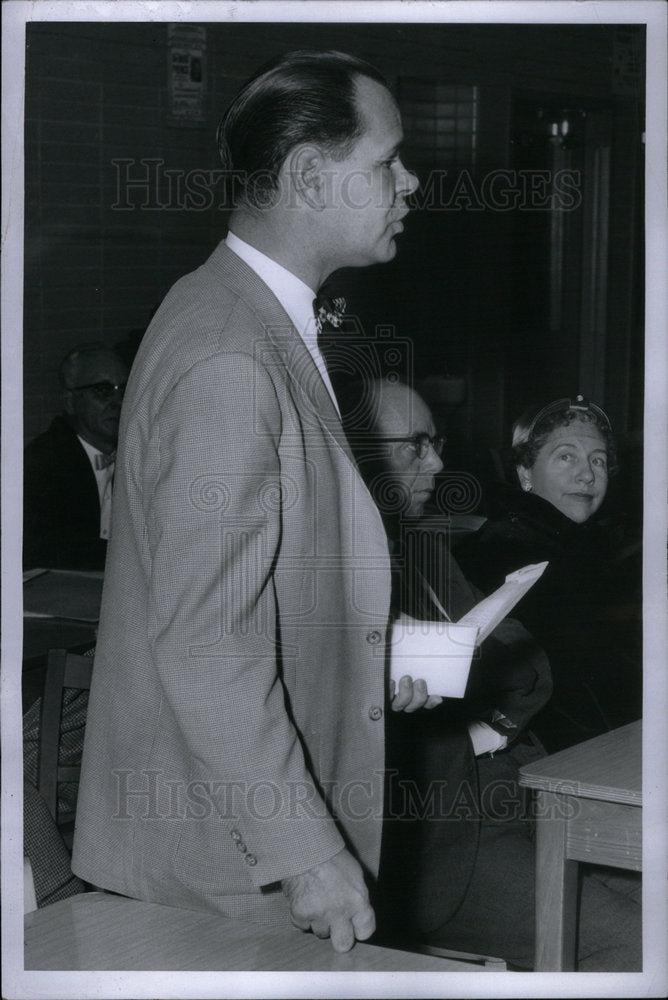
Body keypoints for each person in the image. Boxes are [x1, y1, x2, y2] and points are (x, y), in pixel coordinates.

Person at [72, 50, 424, 954]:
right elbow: (205, 637)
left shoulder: (242, 316)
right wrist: (306, 853)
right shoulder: (232, 350)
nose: (410, 182)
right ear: (310, 174)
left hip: (227, 846)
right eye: (387, 162)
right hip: (222, 869)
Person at [341, 377, 641, 970]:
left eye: (437, 441)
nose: (439, 460)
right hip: (437, 841)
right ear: (357, 453)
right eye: (417, 444)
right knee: (638, 942)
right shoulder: (324, 565)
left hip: (518, 787)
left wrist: (487, 722)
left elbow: (528, 668)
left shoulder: (422, 550)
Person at [457, 394, 642, 753]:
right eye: (566, 456)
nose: (587, 474)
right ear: (525, 472)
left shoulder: (574, 546)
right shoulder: (507, 550)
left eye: (598, 460)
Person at [23, 343, 128, 571]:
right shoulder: (43, 462)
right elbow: (51, 553)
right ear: (70, 401)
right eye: (103, 390)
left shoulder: (141, 456)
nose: (118, 402)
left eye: (125, 390)